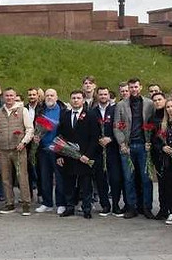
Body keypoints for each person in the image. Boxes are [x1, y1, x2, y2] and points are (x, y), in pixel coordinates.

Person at [113, 78, 154, 219]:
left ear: (140, 87)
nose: (134, 89)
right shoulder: (121, 105)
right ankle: (131, 207)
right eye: (131, 87)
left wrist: (150, 141)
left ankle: (147, 207)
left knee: (146, 178)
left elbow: (153, 123)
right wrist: (122, 143)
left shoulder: (149, 103)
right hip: (128, 147)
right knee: (128, 178)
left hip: (144, 146)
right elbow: (117, 126)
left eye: (136, 87)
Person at [55, 90, 99, 219]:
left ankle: (86, 208)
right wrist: (59, 155)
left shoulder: (90, 115)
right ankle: (69, 207)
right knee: (68, 183)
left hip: (84, 156)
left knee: (85, 184)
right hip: (68, 156)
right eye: (73, 98)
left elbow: (94, 137)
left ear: (83, 100)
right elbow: (60, 137)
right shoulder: (65, 115)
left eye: (78, 98)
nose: (75, 100)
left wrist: (88, 155)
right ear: (70, 100)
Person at [0, 87, 34, 216]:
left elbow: (30, 129)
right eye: (7, 96)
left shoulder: (23, 110)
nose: (9, 98)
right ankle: (9, 203)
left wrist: (24, 142)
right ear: (3, 97)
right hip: (3, 149)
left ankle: (26, 203)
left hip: (18, 149)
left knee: (22, 176)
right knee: (5, 178)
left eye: (11, 96)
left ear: (15, 97)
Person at [35, 89, 65, 214]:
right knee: (45, 177)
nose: (49, 97)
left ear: (56, 97)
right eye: (47, 95)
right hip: (43, 148)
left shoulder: (63, 111)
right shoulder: (41, 110)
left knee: (59, 177)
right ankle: (47, 203)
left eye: (52, 95)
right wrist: (37, 136)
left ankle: (61, 203)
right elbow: (37, 127)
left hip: (58, 149)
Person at [91, 87, 119, 216]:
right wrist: (98, 140)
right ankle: (105, 205)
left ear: (109, 95)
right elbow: (89, 131)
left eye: (105, 94)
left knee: (115, 179)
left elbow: (119, 127)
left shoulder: (115, 110)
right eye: (100, 94)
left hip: (112, 149)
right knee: (100, 179)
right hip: (98, 150)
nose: (103, 96)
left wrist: (111, 139)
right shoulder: (92, 112)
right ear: (97, 96)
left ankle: (116, 205)